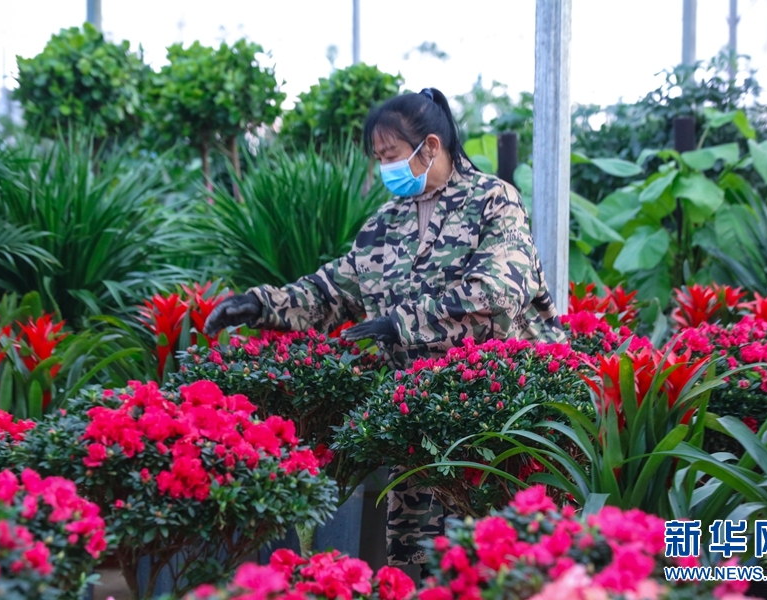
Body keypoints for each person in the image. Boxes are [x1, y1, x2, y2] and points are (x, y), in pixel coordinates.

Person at [204, 87, 565, 569]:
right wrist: (259, 304)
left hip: (498, 419)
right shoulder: (384, 224)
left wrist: (403, 324)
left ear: (431, 147)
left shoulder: (493, 202)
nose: (384, 167)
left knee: (505, 560)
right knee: (413, 560)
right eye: (378, 157)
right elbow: (331, 291)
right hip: (419, 418)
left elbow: (499, 294)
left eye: (391, 155)